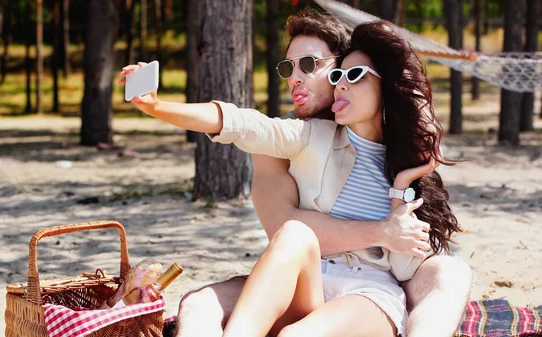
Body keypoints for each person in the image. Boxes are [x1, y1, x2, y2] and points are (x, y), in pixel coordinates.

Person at [121, 10, 472, 337]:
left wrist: (401, 186)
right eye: (338, 77)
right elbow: (244, 125)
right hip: (306, 277)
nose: (297, 78)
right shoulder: (308, 137)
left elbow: (406, 262)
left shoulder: (405, 159)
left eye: (313, 65)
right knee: (279, 244)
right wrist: (158, 106)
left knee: (450, 272)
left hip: (369, 288)